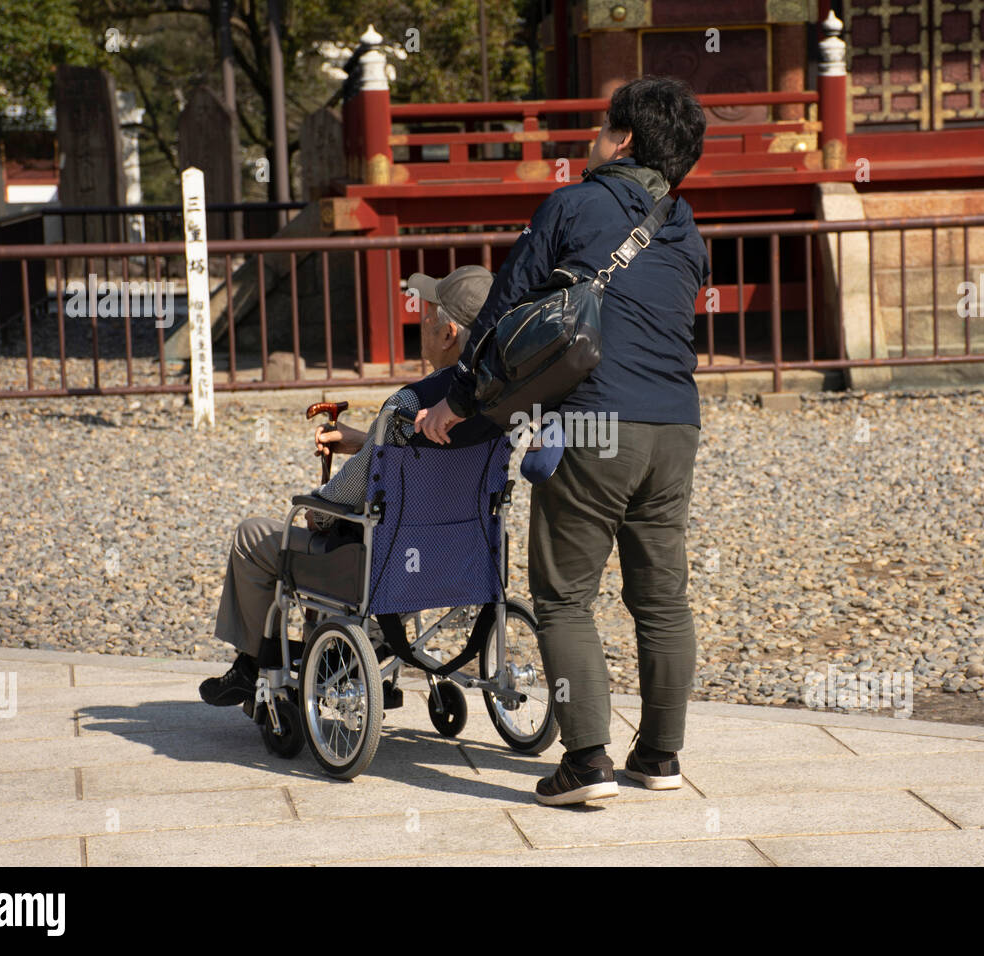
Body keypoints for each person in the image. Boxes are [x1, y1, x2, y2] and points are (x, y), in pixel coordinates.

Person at [415, 76, 709, 805]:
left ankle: (585, 762)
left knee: (564, 596)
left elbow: (502, 310)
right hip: (676, 426)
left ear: (625, 139)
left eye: (602, 126)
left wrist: (456, 405)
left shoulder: (573, 204)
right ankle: (661, 756)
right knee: (663, 600)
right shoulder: (685, 227)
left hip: (595, 425)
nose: (591, 139)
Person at [200, 265, 498, 707]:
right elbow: (423, 453)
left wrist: (316, 509)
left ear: (449, 334)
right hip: (463, 554)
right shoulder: (502, 400)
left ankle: (252, 663)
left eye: (428, 319)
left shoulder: (408, 404)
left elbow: (343, 499)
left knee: (255, 535)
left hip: (386, 559)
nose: (423, 326)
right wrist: (365, 441)